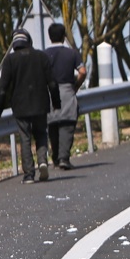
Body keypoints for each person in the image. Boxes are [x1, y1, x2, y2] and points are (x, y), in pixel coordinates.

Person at [0, 28, 61, 183]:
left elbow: (3, 88)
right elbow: (52, 83)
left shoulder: (10, 61)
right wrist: (56, 102)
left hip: (20, 106)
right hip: (40, 104)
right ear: (28, 41)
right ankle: (42, 161)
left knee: (25, 138)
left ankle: (29, 174)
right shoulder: (41, 57)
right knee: (41, 134)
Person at [44, 23, 87, 170]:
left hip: (50, 93)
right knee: (67, 125)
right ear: (64, 37)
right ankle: (64, 158)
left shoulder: (44, 55)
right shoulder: (72, 53)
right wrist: (76, 86)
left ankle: (56, 158)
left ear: (50, 37)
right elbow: (83, 71)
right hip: (67, 91)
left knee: (53, 125)